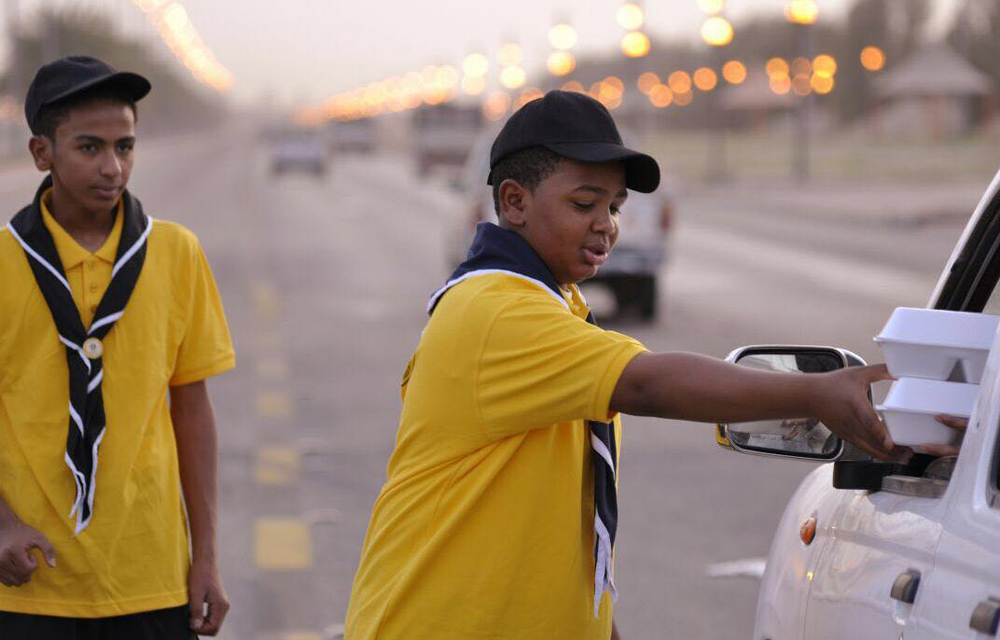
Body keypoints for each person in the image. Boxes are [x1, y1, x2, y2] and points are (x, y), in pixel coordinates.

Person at [344, 90, 908, 640]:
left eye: (614, 207)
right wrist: (813, 393)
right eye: (583, 204)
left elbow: (556, 509)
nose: (607, 224)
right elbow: (647, 384)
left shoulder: (553, 304)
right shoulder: (497, 313)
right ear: (514, 202)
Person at [0, 56, 235, 639]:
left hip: (150, 578)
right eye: (89, 148)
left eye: (125, 147)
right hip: (29, 584)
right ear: (41, 153)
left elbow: (192, 409)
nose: (113, 168)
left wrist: (205, 558)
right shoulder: (4, 262)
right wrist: (1, 524)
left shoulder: (176, 253)